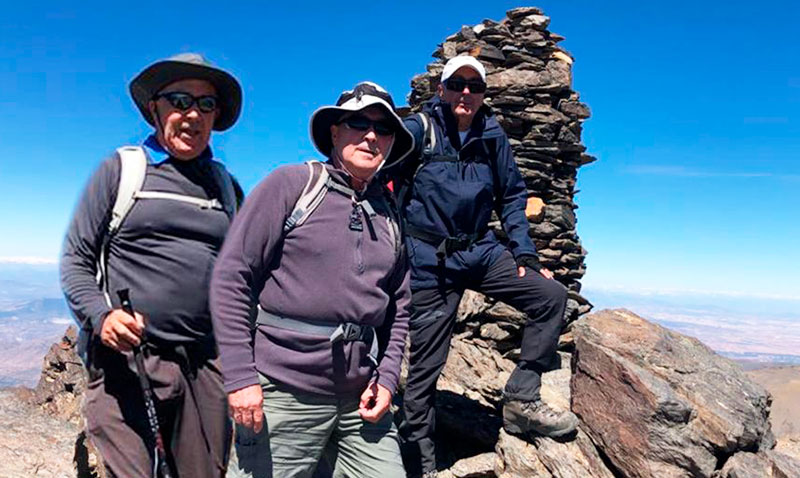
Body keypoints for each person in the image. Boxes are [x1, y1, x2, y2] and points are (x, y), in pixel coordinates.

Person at [211, 81, 414, 478]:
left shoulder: (390, 213)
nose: (372, 135)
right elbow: (232, 276)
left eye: (384, 128)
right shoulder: (292, 186)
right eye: (358, 123)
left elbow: (401, 307)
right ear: (334, 132)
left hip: (361, 401)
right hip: (285, 393)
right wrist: (239, 378)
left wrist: (388, 378)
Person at [389, 55, 579, 477]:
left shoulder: (492, 136)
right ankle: (417, 453)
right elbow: (382, 174)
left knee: (549, 296)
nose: (466, 93)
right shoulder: (421, 131)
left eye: (475, 87)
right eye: (457, 84)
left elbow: (512, 198)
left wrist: (525, 255)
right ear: (442, 89)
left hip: (480, 251)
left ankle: (521, 401)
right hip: (430, 260)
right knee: (426, 364)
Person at [60, 53, 243, 478]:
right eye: (179, 100)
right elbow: (76, 259)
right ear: (154, 108)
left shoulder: (226, 187)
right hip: (129, 362)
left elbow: (244, 274)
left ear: (216, 117)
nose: (192, 114)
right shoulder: (122, 171)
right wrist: (102, 316)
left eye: (206, 104)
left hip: (205, 364)